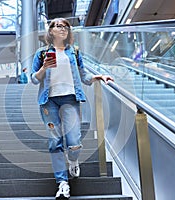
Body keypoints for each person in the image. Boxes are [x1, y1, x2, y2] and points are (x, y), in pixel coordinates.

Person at [30, 18, 113, 200]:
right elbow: (34, 79)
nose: (63, 29)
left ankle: (73, 160)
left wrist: (98, 76)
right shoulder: (42, 53)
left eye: (66, 26)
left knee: (74, 141)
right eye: (58, 26)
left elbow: (83, 75)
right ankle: (62, 183)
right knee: (55, 142)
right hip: (48, 102)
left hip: (71, 99)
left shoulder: (74, 51)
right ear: (51, 31)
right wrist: (44, 68)